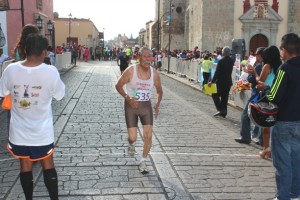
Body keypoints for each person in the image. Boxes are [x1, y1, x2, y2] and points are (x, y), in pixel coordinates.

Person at [0, 33, 65, 200]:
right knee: (48, 164)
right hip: (42, 132)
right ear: (44, 52)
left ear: (25, 50)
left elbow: (3, 92)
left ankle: (29, 198)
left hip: (19, 132)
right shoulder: (50, 72)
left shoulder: (10, 69)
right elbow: (60, 95)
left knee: (24, 165)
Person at [256, 33, 300, 200]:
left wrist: (265, 88)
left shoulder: (285, 68)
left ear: (285, 50)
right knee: (296, 160)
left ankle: (283, 196)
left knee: (282, 163)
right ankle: (295, 194)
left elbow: (274, 96)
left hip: (284, 122)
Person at [115, 47, 163, 174]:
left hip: (146, 107)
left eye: (150, 56)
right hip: (131, 106)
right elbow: (118, 85)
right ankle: (131, 144)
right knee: (133, 137)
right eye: (145, 56)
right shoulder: (131, 71)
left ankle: (143, 161)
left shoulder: (155, 74)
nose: (148, 59)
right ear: (139, 57)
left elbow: (159, 91)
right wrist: (127, 97)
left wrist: (157, 104)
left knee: (148, 136)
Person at [250, 46, 281, 159]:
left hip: (267, 96)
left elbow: (260, 80)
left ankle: (266, 150)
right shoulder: (280, 67)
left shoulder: (267, 66)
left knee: (266, 125)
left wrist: (255, 74)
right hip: (278, 96)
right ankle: (272, 149)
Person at [235, 47, 264, 145]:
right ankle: (261, 139)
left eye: (256, 54)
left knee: (246, 114)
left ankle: (245, 137)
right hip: (262, 94)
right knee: (261, 117)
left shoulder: (260, 66)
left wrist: (250, 73)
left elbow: (254, 80)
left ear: (260, 55)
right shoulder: (267, 65)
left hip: (257, 94)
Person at [208, 46, 234, 118]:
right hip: (228, 82)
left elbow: (217, 73)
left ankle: (220, 109)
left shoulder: (221, 62)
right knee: (224, 98)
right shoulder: (232, 61)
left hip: (220, 82)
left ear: (223, 53)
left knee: (214, 95)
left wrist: (212, 81)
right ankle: (224, 113)